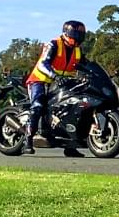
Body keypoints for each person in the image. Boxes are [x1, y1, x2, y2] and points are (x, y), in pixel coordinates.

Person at [26, 20, 89, 157]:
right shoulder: (53, 45)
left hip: (62, 84)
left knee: (72, 109)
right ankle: (28, 139)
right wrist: (54, 76)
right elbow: (43, 64)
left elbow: (84, 65)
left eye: (80, 37)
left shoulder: (77, 50)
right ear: (67, 35)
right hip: (40, 81)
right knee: (37, 106)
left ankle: (71, 145)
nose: (77, 41)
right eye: (75, 37)